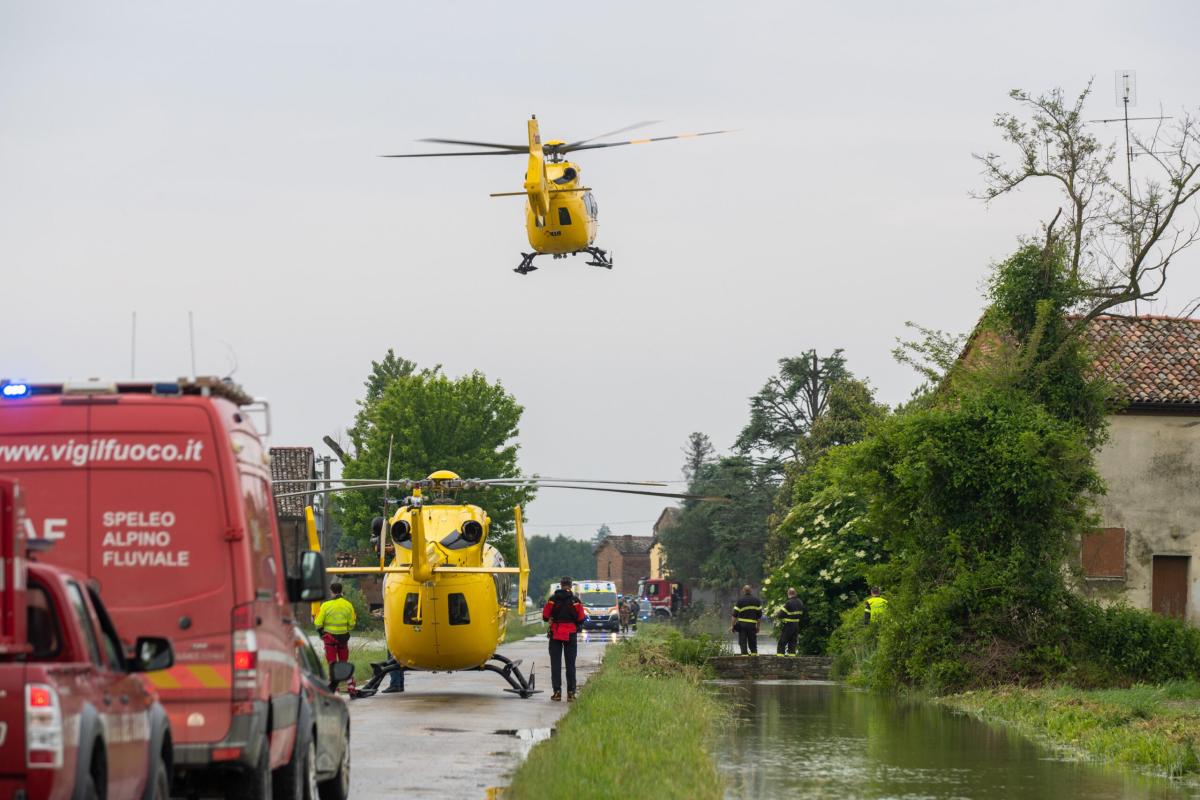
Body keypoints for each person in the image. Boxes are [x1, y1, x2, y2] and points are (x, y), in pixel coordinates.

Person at [542, 576, 585, 702]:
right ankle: (571, 693)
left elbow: (545, 616)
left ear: (561, 585)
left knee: (556, 664)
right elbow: (581, 618)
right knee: (570, 665)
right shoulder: (575, 601)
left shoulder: (552, 600)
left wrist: (551, 619)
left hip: (555, 633)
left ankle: (557, 693)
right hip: (570, 633)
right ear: (571, 586)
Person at [314, 582, 356, 691]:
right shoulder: (348, 605)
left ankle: (334, 688)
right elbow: (352, 625)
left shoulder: (326, 605)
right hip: (343, 639)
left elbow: (318, 623)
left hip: (330, 639)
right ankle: (351, 686)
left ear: (331, 591)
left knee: (332, 664)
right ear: (341, 590)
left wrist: (321, 629)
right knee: (344, 663)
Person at [731, 585, 763, 655]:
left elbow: (734, 616)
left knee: (743, 643)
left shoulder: (740, 601)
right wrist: (758, 627)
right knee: (753, 644)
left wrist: (733, 626)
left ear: (743, 591)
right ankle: (754, 659)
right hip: (752, 626)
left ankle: (744, 658)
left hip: (742, 626)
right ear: (751, 590)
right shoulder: (757, 601)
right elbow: (759, 616)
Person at [775, 588, 804, 655]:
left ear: (788, 594)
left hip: (789, 625)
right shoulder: (800, 602)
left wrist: (777, 614)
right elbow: (803, 614)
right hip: (796, 625)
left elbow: (780, 615)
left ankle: (780, 658)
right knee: (792, 644)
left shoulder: (788, 603)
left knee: (782, 642)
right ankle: (792, 659)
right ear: (795, 593)